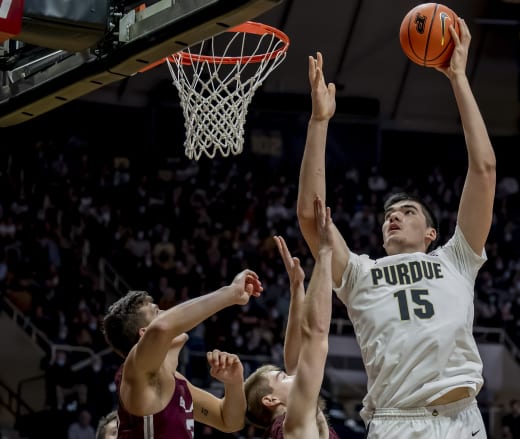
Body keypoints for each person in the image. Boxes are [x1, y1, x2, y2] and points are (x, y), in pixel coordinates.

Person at [296, 17, 496, 439]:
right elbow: (312, 220)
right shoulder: (360, 274)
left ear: (430, 234)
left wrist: (458, 77)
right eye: (389, 214)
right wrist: (319, 123)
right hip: (398, 421)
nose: (394, 216)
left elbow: (483, 169)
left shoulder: (456, 259)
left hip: (464, 418)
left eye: (407, 211)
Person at [102, 270, 263, 438]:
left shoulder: (177, 383)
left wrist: (234, 383)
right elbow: (161, 328)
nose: (169, 313)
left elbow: (230, 421)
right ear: (144, 334)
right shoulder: (136, 372)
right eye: (158, 312)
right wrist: (230, 293)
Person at [243, 197, 340, 438]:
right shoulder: (293, 423)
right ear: (271, 399)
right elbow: (315, 335)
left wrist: (297, 288)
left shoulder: (291, 424)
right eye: (281, 377)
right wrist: (325, 252)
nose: (291, 374)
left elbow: (296, 362)